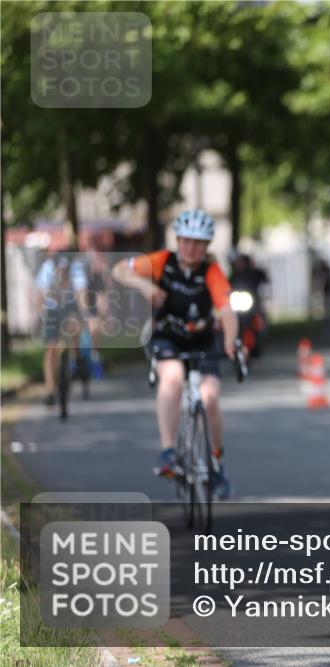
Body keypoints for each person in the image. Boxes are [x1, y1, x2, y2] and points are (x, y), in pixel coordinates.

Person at [112, 210, 238, 499]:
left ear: (207, 246)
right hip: (167, 336)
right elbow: (119, 269)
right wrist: (144, 284)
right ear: (178, 240)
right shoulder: (161, 262)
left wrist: (231, 342)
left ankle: (217, 463)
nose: (191, 248)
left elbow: (227, 310)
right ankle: (169, 452)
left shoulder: (212, 272)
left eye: (198, 243)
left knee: (210, 397)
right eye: (185, 241)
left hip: (203, 340)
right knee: (171, 378)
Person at [35, 248, 88, 406]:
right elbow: (40, 294)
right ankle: (50, 389)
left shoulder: (76, 269)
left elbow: (81, 295)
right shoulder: (47, 268)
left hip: (71, 306)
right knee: (50, 348)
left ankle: (76, 355)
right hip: (52, 307)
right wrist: (40, 315)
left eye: (65, 269)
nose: (62, 273)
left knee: (74, 326)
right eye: (59, 269)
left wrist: (83, 315)